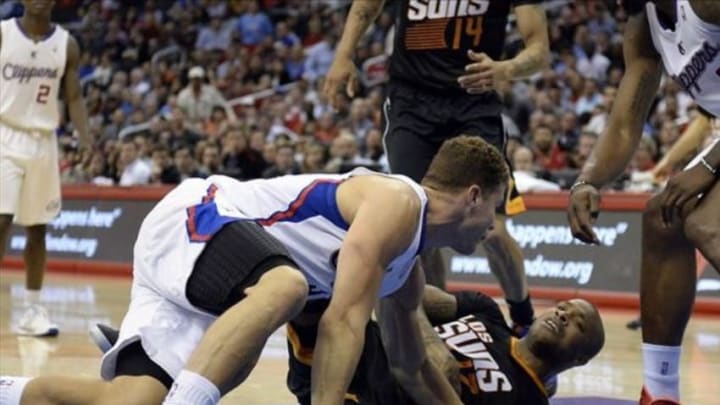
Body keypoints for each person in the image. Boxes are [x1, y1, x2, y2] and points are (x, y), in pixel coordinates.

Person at [1, 135, 506, 405]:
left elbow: (412, 367)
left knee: (132, 404)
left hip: (210, 278)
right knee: (287, 286)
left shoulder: (406, 273)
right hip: (197, 219)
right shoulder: (398, 199)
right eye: (496, 211)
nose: (493, 229)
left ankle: (10, 390)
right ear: (473, 196)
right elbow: (342, 322)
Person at [324, 0, 550, 338]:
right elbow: (364, 8)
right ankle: (440, 329)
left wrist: (506, 69)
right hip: (411, 105)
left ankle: (523, 318)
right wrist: (344, 55)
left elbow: (539, 50)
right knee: (419, 229)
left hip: (474, 103)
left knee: (494, 232)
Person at [566, 2, 720, 404]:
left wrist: (706, 164)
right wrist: (587, 181)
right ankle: (659, 391)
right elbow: (623, 124)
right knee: (663, 217)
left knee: (707, 224)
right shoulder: (643, 28)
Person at [285, 286, 605, 405]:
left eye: (578, 322)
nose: (563, 315)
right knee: (305, 283)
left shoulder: (529, 401)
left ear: (580, 359)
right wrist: (430, 346)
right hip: (348, 348)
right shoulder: (487, 312)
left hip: (368, 394)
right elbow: (407, 292)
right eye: (563, 307)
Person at [0, 0, 90, 336]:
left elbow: (75, 97)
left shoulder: (66, 43)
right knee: (1, 219)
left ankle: (32, 311)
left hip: (43, 141)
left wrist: (86, 139)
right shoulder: (3, 34)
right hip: (3, 135)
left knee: (38, 229)